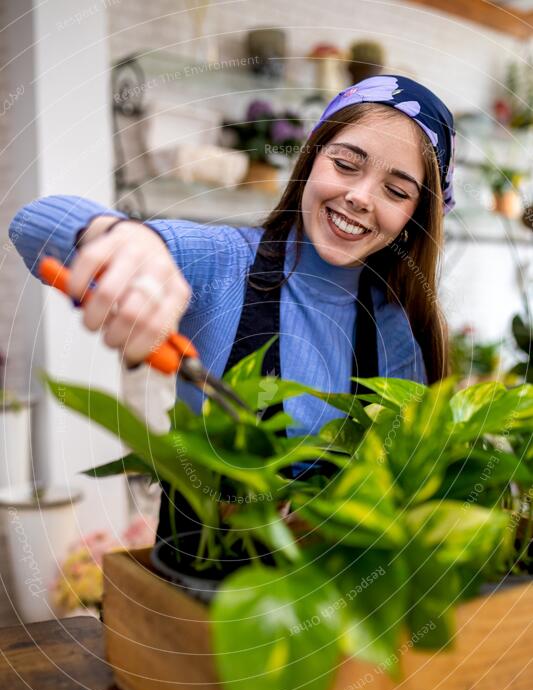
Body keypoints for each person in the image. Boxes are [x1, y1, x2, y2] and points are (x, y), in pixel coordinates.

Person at [9, 74, 456, 543]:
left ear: (414, 217)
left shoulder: (395, 330)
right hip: (194, 588)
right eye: (346, 164)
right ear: (310, 159)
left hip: (329, 600)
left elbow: (401, 494)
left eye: (397, 191)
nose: (361, 197)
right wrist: (117, 238)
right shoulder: (220, 262)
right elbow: (30, 227)